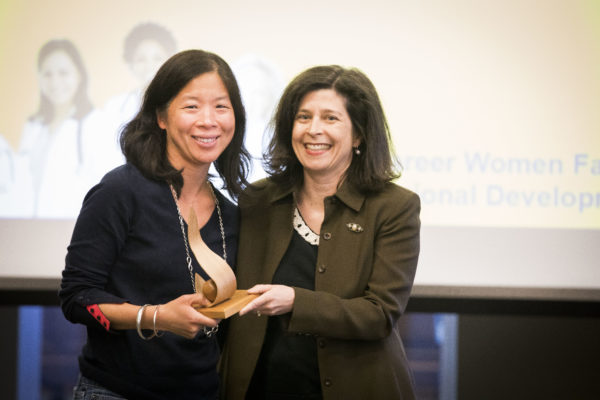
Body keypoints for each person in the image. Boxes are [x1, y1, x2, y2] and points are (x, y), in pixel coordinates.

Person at [220, 65, 421, 400]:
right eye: (303, 117)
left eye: (330, 118)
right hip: (263, 386)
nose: (314, 130)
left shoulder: (394, 207)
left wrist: (296, 301)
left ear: (358, 135)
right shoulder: (257, 201)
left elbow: (379, 314)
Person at [59, 49, 250, 400]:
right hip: (116, 391)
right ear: (161, 116)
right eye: (191, 106)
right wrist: (156, 316)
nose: (209, 120)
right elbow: (76, 298)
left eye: (221, 107)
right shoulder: (120, 191)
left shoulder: (232, 213)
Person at [17, 39, 105, 218]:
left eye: (63, 73)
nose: (55, 82)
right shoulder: (33, 127)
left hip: (75, 230)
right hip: (30, 230)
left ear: (79, 76)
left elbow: (107, 193)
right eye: (47, 74)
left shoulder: (96, 124)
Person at [102, 22, 177, 170]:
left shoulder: (183, 102)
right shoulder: (114, 106)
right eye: (141, 59)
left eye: (157, 58)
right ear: (130, 64)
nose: (149, 65)